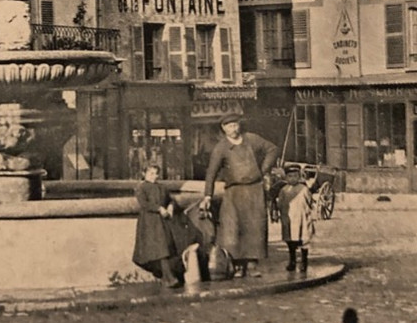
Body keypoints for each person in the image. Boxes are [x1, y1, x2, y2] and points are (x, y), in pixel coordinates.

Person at [198, 113, 278, 279]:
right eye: (229, 126)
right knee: (233, 230)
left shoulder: (252, 139)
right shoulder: (221, 148)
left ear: (239, 125)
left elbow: (272, 149)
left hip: (255, 191)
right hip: (233, 193)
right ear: (223, 128)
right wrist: (207, 195)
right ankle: (237, 265)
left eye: (235, 125)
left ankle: (252, 265)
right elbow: (211, 173)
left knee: (255, 228)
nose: (233, 129)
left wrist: (263, 170)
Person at [132, 163, 181, 288]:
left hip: (161, 222)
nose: (154, 176)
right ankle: (167, 277)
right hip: (149, 222)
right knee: (159, 250)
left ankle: (165, 276)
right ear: (144, 174)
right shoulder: (141, 187)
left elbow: (170, 200)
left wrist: (170, 207)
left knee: (163, 249)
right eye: (151, 173)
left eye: (156, 173)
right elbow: (144, 203)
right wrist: (159, 208)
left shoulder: (162, 187)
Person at [278, 164, 316, 273]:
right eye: (290, 176)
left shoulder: (303, 189)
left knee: (303, 239)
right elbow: (280, 204)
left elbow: (309, 201)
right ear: (286, 177)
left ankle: (304, 262)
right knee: (290, 241)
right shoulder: (284, 190)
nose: (292, 178)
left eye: (295, 176)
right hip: (289, 219)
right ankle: (292, 261)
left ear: (299, 177)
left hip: (301, 218)